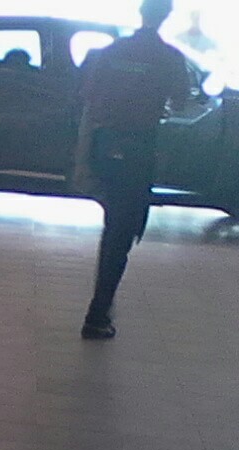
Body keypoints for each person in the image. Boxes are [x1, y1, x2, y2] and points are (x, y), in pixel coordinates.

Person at [75, 0, 190, 340]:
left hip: (105, 146)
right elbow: (181, 102)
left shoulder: (112, 51)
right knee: (123, 232)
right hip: (138, 151)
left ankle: (101, 306)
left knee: (113, 224)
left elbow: (88, 95)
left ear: (140, 12)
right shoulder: (169, 58)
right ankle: (98, 313)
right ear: (166, 17)